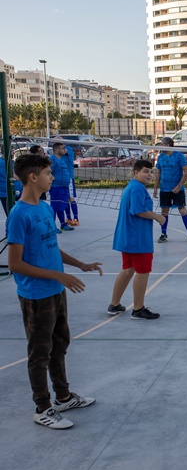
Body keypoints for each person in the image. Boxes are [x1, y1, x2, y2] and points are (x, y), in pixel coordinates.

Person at [7, 153, 103, 429]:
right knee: (39, 353)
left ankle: (63, 397)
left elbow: (50, 247)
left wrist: (79, 264)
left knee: (59, 344)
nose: (53, 177)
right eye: (48, 173)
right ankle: (43, 408)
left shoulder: (45, 209)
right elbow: (15, 264)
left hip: (55, 289)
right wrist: (59, 275)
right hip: (36, 295)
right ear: (32, 177)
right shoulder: (19, 215)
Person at [108, 160, 166, 320]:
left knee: (128, 270)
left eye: (151, 172)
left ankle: (114, 305)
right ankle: (138, 309)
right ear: (136, 173)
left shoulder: (132, 187)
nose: (150, 175)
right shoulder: (137, 189)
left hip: (127, 237)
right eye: (146, 171)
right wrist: (158, 217)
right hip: (137, 238)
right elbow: (138, 210)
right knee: (143, 272)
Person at [153, 136, 187, 243]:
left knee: (182, 210)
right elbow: (158, 173)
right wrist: (155, 188)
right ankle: (163, 234)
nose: (160, 146)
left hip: (178, 189)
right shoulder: (161, 157)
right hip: (164, 189)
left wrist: (178, 186)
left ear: (168, 145)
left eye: (162, 144)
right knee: (164, 211)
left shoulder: (179, 156)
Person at [48, 142, 74, 233]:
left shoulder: (62, 158)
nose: (64, 150)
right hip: (56, 187)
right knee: (55, 206)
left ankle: (63, 224)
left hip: (64, 186)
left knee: (62, 206)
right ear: (56, 150)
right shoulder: (52, 159)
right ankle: (52, 226)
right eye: (62, 148)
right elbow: (48, 171)